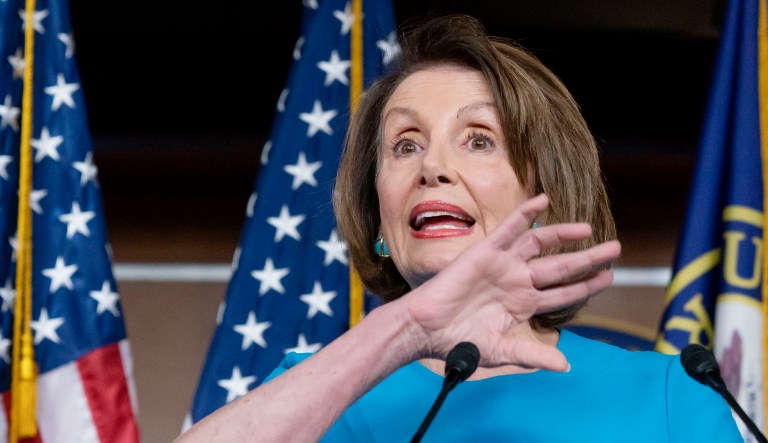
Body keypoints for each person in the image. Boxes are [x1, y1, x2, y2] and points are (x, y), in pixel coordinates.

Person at [176, 14, 742, 442]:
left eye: (478, 139)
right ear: (378, 218)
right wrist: (408, 330)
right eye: (405, 145)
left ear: (544, 194)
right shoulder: (313, 393)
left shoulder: (671, 398)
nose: (432, 167)